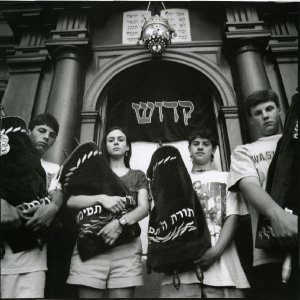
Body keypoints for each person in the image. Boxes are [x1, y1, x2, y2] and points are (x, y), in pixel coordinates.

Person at [159, 127, 250, 298]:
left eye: (206, 144)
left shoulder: (227, 177)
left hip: (223, 270)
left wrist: (216, 251)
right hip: (181, 272)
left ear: (214, 149)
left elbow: (233, 217)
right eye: (196, 144)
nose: (200, 147)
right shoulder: (176, 181)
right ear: (189, 149)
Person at [227, 89, 298, 299]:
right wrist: (279, 217)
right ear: (251, 120)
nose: (265, 115)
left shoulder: (294, 142)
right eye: (258, 113)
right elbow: (250, 187)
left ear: (279, 111)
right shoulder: (244, 151)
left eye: (269, 109)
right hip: (270, 250)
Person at [66, 126, 148, 298]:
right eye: (111, 140)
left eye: (120, 139)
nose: (116, 143)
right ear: (106, 146)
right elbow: (71, 201)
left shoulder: (138, 175)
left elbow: (144, 208)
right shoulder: (91, 173)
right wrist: (101, 198)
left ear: (127, 147)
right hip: (91, 243)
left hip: (126, 247)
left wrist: (120, 223)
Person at [1, 113, 63, 298]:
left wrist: (53, 207)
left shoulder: (53, 168)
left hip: (31, 254)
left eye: (51, 135)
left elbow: (57, 192)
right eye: (41, 131)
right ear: (28, 132)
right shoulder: (5, 156)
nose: (46, 137)